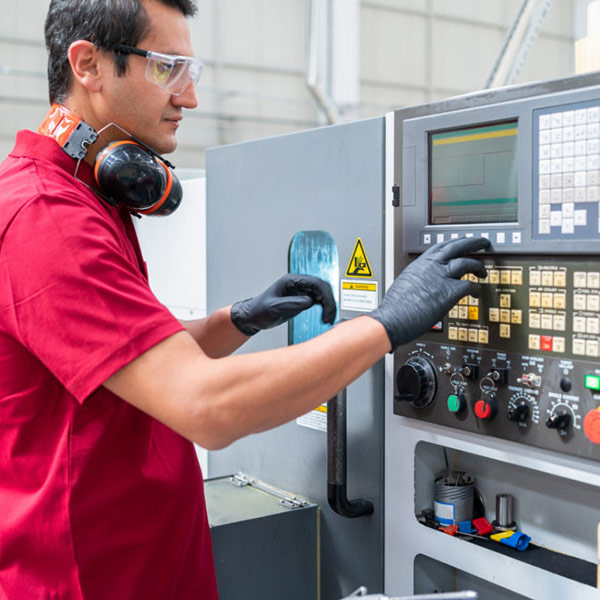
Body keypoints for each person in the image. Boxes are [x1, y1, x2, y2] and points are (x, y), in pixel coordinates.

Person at [0, 0, 490, 597]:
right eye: (166, 68)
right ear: (89, 65)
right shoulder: (48, 218)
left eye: (191, 72)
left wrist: (236, 321)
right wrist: (387, 323)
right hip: (92, 579)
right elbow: (207, 410)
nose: (189, 97)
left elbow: (130, 367)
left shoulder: (88, 203)